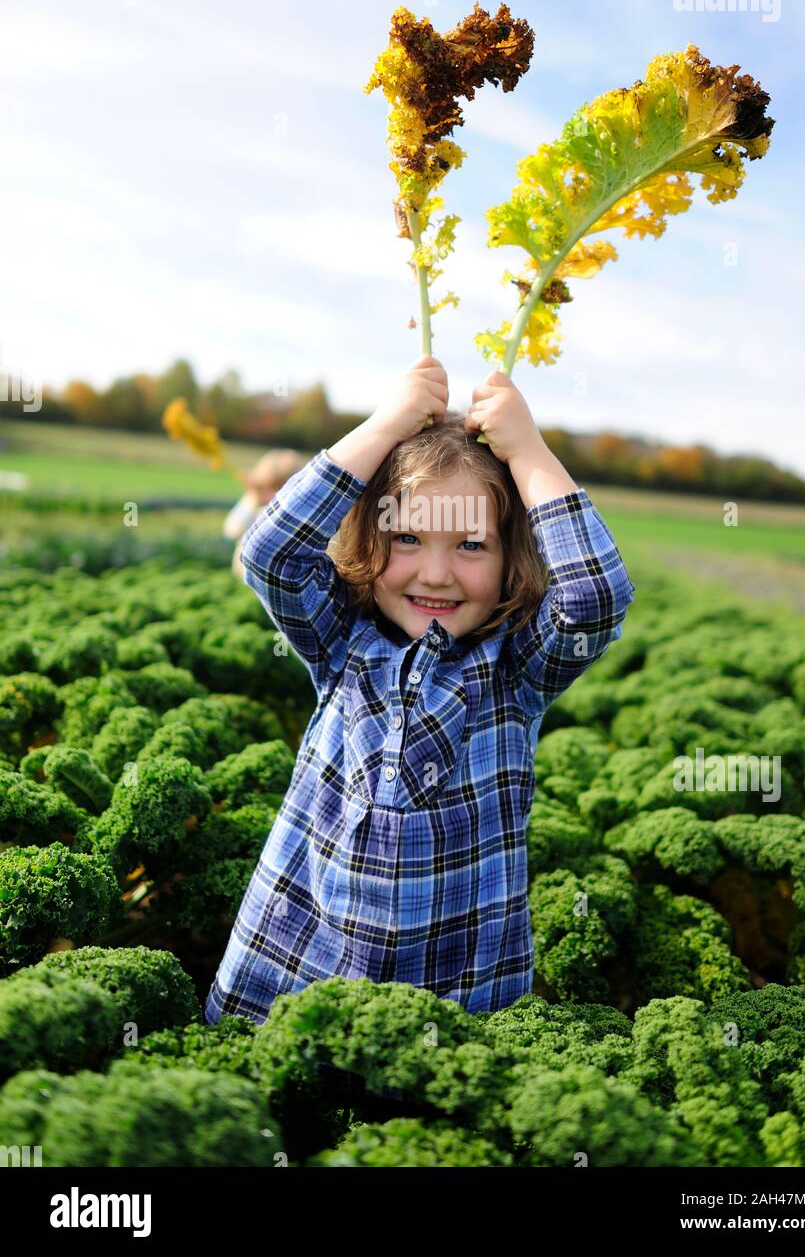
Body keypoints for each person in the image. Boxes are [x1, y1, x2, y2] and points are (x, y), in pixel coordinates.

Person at [204, 353, 636, 1041]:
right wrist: (385, 425)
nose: (435, 572)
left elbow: (593, 598)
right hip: (296, 961)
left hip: (454, 992)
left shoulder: (514, 674)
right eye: (406, 537)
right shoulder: (339, 641)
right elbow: (271, 552)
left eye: (471, 545)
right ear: (370, 538)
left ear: (511, 559)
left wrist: (528, 451)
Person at [222, 450, 304, 579]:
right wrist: (252, 498)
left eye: (275, 489)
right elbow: (232, 530)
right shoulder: (254, 501)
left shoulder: (285, 513)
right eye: (263, 487)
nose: (266, 495)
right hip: (243, 576)